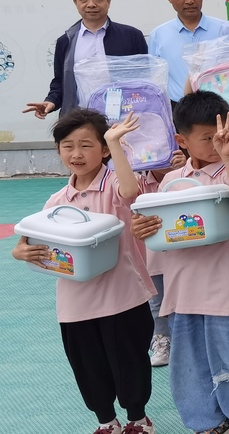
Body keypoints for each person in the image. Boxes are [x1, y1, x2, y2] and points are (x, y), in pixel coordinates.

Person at [11, 111, 157, 434]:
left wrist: (115, 142)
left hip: (122, 298)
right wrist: (19, 252)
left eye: (86, 145)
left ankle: (138, 420)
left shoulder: (115, 184)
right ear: (59, 150)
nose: (76, 154)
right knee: (88, 367)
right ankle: (107, 423)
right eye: (68, 146)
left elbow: (130, 191)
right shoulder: (57, 202)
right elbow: (30, 242)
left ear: (103, 150)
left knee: (130, 363)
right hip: (75, 304)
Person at [154, 91, 229, 433]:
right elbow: (156, 227)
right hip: (182, 291)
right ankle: (207, 423)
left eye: (222, 135)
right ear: (182, 140)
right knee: (189, 364)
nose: (216, 143)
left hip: (226, 287)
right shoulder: (170, 182)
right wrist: (141, 227)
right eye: (206, 138)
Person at [27, 0, 148, 119]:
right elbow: (60, 81)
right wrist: (51, 101)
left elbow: (145, 78)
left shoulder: (131, 36)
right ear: (75, 3)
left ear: (108, 2)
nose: (91, 4)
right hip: (81, 118)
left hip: (124, 117)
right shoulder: (65, 41)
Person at [148, 0, 224, 102]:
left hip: (219, 105)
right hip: (179, 107)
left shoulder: (223, 29)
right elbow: (156, 80)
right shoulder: (158, 35)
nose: (189, 0)